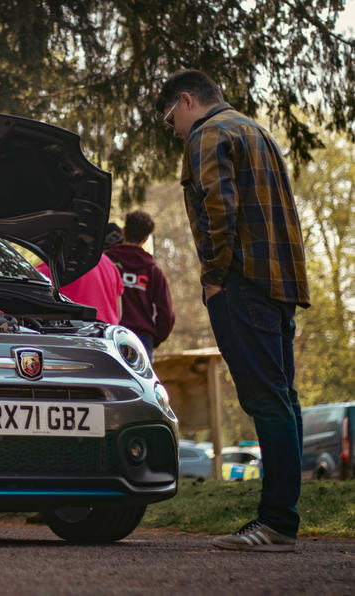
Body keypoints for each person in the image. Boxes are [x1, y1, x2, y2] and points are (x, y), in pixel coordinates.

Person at [157, 69, 310, 552]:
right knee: (283, 398)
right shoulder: (255, 130)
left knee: (266, 401)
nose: (175, 131)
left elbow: (217, 210)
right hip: (280, 284)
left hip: (242, 285)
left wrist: (215, 277)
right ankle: (282, 516)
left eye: (170, 120)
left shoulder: (208, 135)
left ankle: (277, 523)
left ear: (187, 101)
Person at [106, 211, 174, 359]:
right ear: (145, 238)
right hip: (142, 340)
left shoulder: (105, 263)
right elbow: (167, 315)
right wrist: (154, 338)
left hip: (109, 336)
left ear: (123, 231)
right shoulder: (154, 272)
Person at [35, 223, 123, 324]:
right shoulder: (110, 265)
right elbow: (118, 313)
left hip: (74, 334)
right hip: (105, 334)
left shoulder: (54, 264)